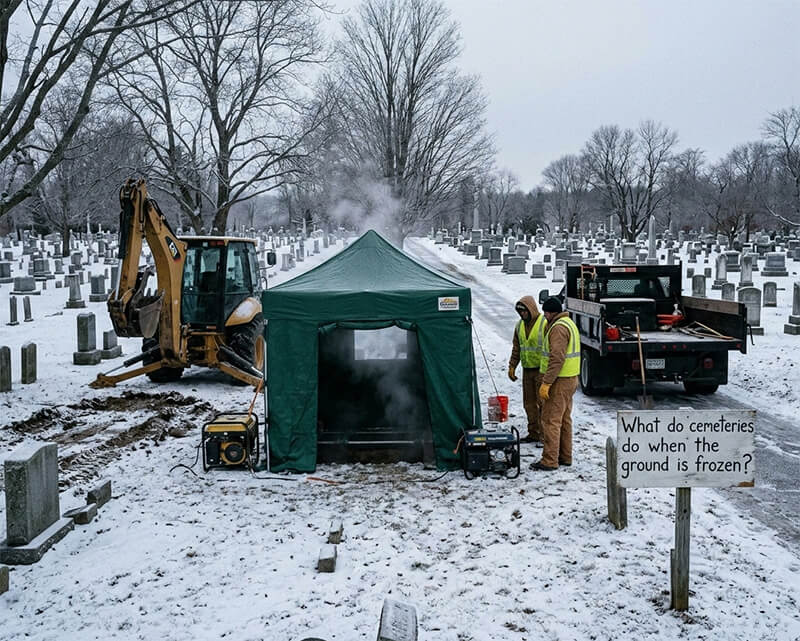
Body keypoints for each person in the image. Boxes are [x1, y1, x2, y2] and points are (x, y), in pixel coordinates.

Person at [532, 297, 581, 471]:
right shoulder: (568, 323)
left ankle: (549, 460)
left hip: (559, 380)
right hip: (570, 379)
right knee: (564, 419)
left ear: (552, 312)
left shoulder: (558, 328)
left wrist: (546, 383)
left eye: (546, 312)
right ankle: (565, 456)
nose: (544, 315)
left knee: (550, 420)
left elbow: (557, 358)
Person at [507, 296, 547, 443]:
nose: (522, 314)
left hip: (541, 370)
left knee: (542, 404)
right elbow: (517, 348)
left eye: (524, 311)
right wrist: (512, 365)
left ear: (531, 309)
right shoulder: (519, 326)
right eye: (520, 312)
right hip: (527, 370)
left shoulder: (544, 323)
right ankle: (534, 432)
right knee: (529, 403)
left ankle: (544, 435)